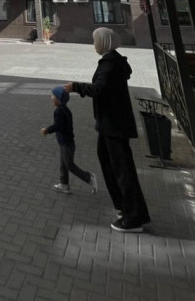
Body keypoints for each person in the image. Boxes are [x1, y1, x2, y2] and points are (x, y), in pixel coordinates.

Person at [65, 27, 151, 233]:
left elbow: (99, 89)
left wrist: (76, 87)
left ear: (104, 42)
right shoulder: (112, 62)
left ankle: (134, 217)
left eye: (95, 41)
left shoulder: (110, 65)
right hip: (109, 123)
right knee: (107, 160)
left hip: (114, 123)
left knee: (122, 168)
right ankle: (123, 205)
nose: (93, 44)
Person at [41, 85, 97, 195]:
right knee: (63, 164)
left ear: (58, 99)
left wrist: (47, 130)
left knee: (69, 165)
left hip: (67, 144)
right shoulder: (65, 110)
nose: (51, 97)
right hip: (65, 142)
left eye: (53, 96)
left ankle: (89, 177)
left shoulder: (59, 111)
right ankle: (64, 184)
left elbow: (58, 126)